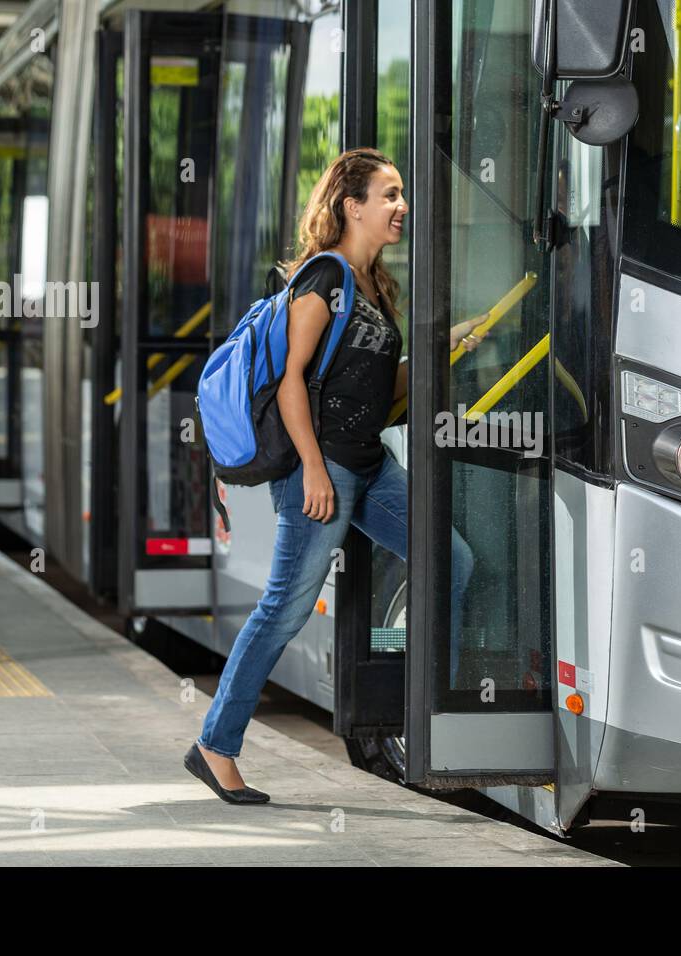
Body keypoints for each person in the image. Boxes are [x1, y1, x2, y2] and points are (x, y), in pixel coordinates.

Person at [184, 147, 481, 805]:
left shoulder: (376, 285)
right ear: (352, 205)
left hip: (369, 465)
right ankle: (215, 744)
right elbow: (292, 380)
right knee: (284, 608)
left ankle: (436, 722)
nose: (401, 207)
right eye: (390, 195)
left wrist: (447, 350)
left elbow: (375, 389)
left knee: (451, 563)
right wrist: (314, 472)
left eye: (401, 195)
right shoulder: (326, 279)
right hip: (323, 470)